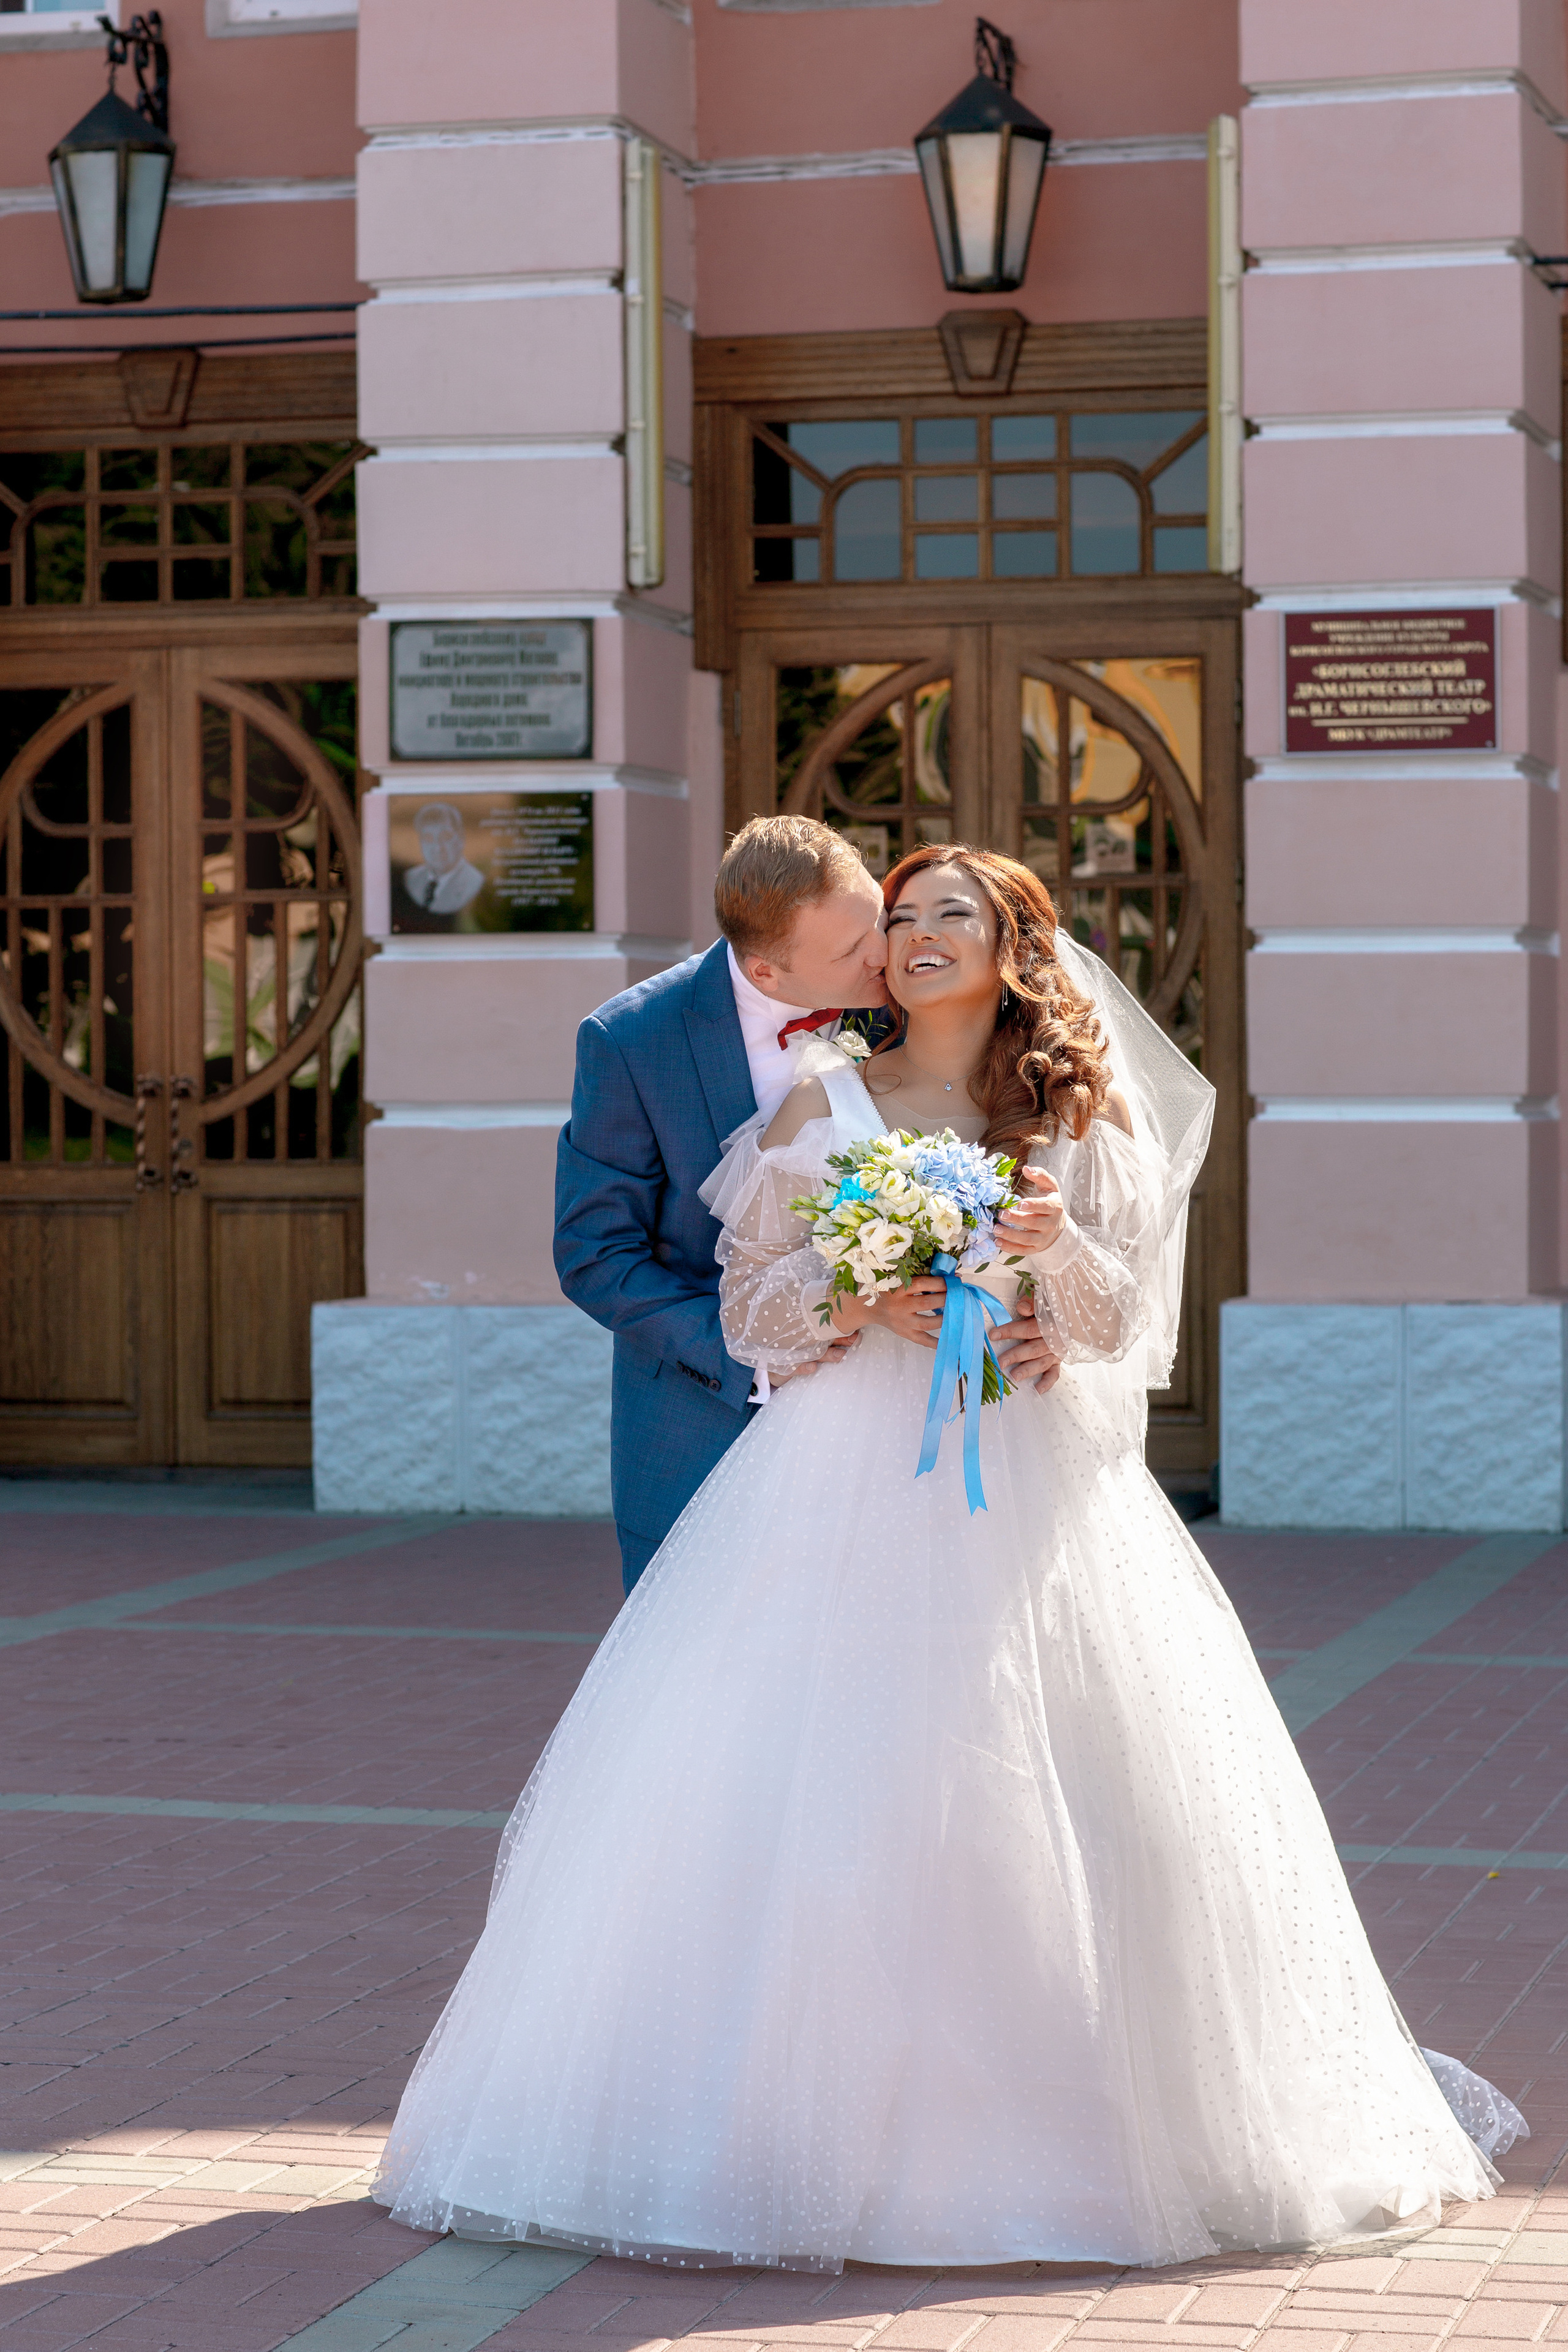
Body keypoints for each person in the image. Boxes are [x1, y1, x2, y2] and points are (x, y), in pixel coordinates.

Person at [376, 842, 1524, 2273]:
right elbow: (751, 1293)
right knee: (814, 1781)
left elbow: (1114, 1317)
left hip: (1026, 1484)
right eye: (898, 916)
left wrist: (1049, 1289)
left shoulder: (1064, 1108)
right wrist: (854, 1291)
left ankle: (1067, 2136)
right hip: (833, 1478)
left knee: (1051, 1780)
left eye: (943, 916)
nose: (910, 938)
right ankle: (777, 2132)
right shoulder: (820, 1092)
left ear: (1008, 947)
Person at [553, 813, 1061, 1593]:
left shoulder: (911, 991)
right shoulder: (631, 1042)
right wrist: (756, 1352)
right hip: (702, 1423)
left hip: (905, 1442)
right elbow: (597, 1256)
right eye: (855, 950)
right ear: (767, 974)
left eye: (877, 922)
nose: (886, 955)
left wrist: (1050, 1321)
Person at [402, 802, 485, 916]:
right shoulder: (411, 878)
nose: (438, 848)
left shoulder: (475, 882)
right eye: (428, 838)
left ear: (461, 838)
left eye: (446, 837)